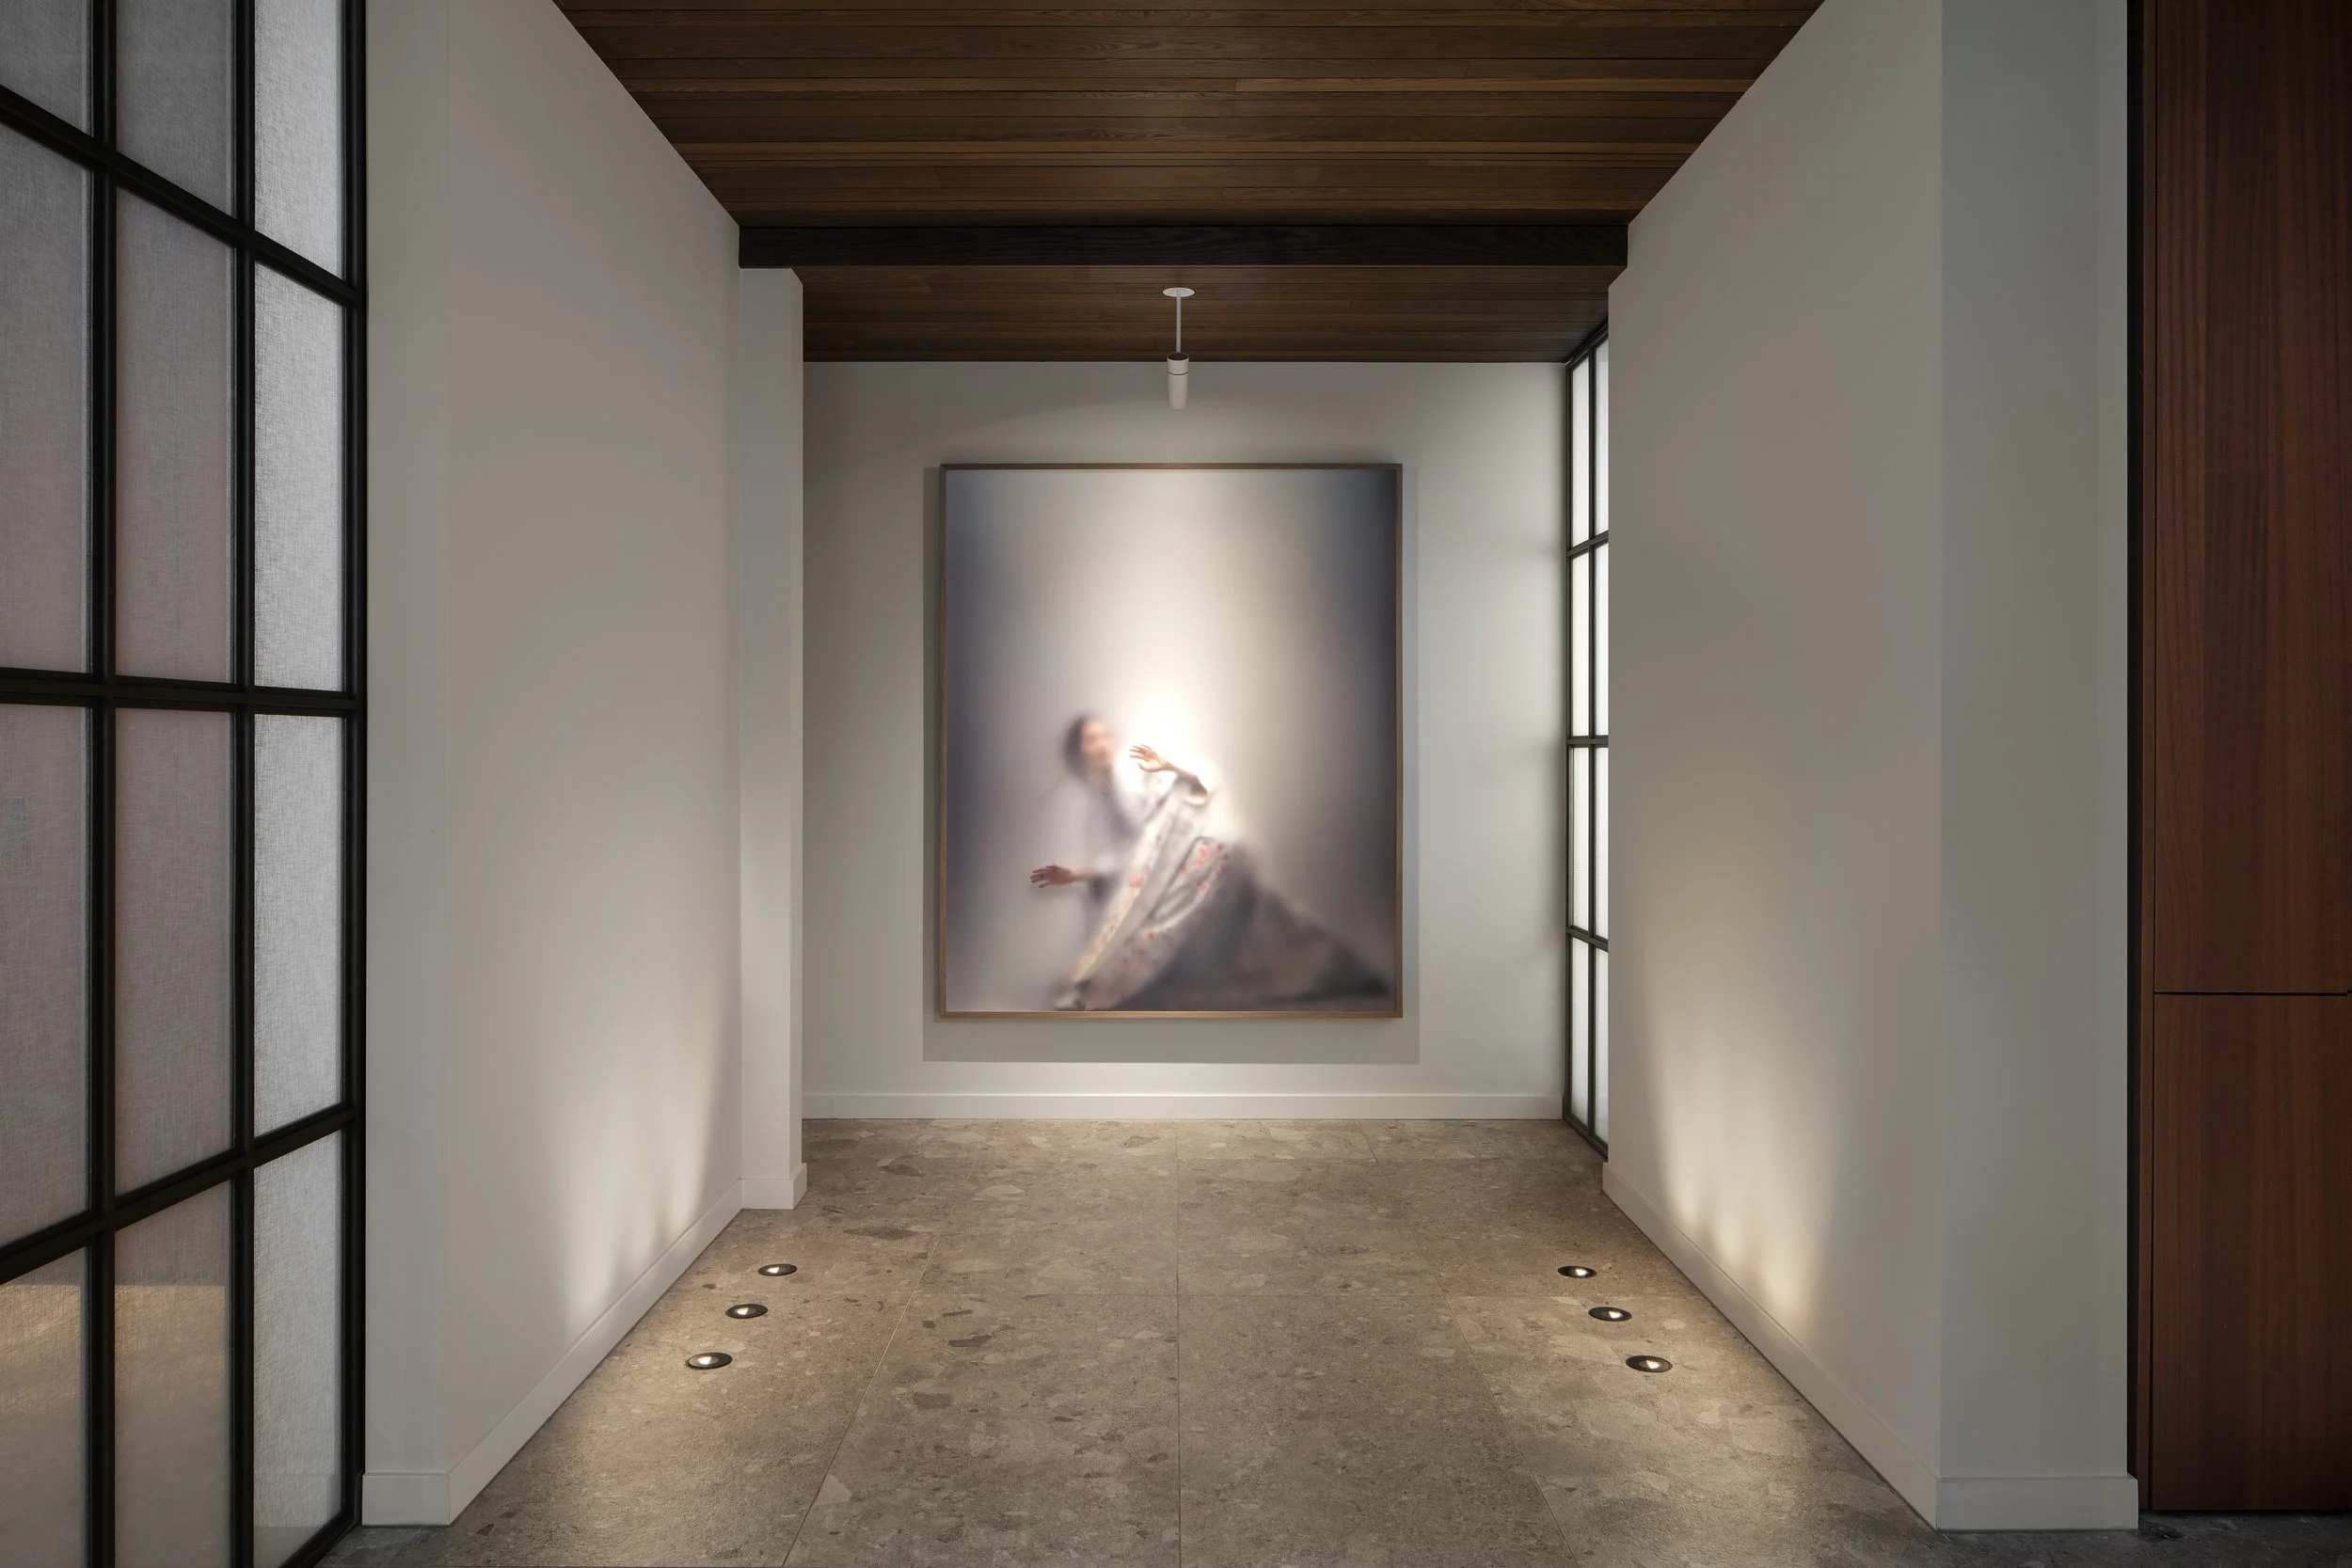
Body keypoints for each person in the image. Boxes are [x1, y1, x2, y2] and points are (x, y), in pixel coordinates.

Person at [1029, 714, 1389, 1012]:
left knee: (1166, 926)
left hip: (1198, 841)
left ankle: (1336, 970)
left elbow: (1203, 779)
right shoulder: (1101, 799)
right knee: (1238, 928)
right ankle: (1332, 970)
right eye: (1090, 740)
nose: (1100, 745)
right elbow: (1122, 859)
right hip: (1167, 860)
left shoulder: (1134, 764)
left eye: (1103, 736)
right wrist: (1074, 875)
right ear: (1079, 752)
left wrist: (1168, 766)